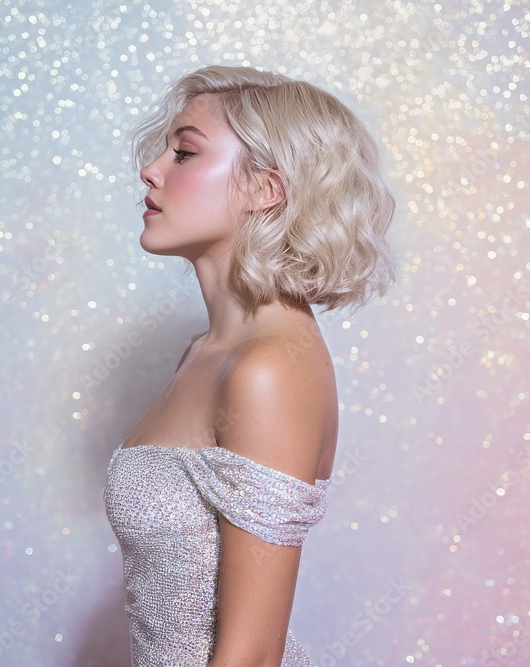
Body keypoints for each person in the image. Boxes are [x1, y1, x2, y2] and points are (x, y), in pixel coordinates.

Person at [103, 64, 397, 666]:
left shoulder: (268, 371)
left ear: (266, 190)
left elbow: (253, 656)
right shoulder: (204, 353)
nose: (151, 170)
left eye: (184, 153)